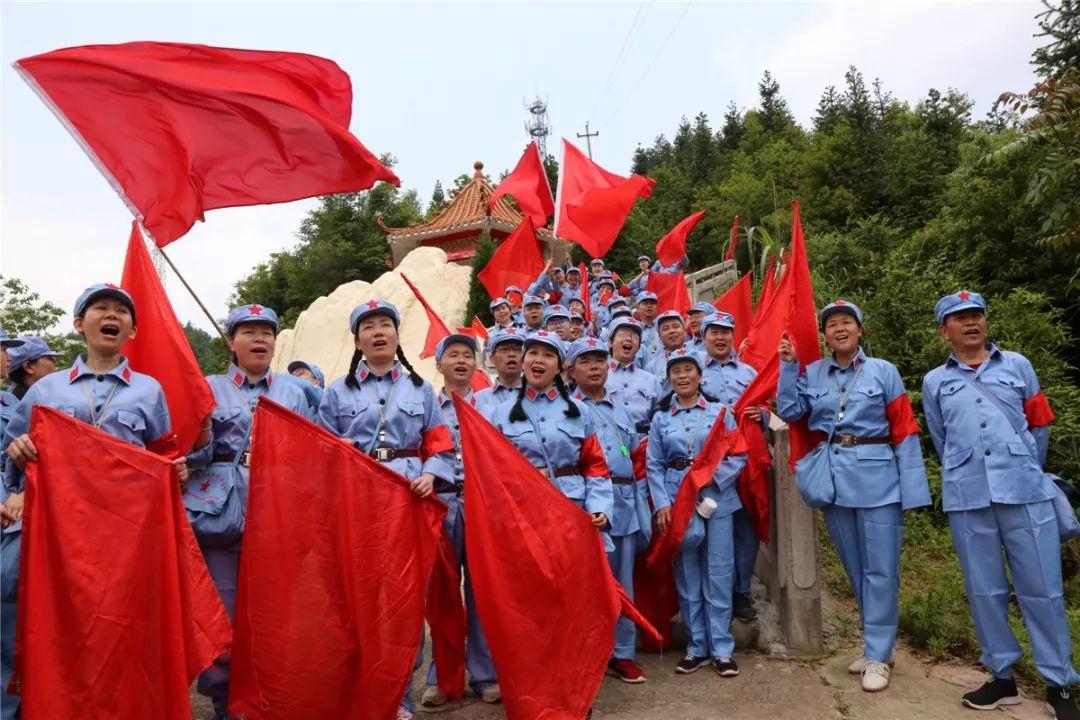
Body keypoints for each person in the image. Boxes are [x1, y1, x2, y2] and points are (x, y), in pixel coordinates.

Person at [2, 285, 190, 720]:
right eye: (101, 308)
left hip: (123, 537)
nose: (112, 315)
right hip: (54, 531)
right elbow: (9, 453)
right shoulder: (45, 391)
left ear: (132, 329)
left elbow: (160, 454)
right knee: (43, 623)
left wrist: (174, 469)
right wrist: (18, 452)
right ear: (78, 324)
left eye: (122, 311)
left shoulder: (149, 391)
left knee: (115, 627)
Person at [921, 291, 1079, 718]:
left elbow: (1039, 424)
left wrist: (1025, 467)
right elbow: (941, 437)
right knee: (984, 589)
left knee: (1043, 588)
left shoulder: (1018, 366)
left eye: (977, 315)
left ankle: (1058, 683)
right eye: (959, 318)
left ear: (985, 322)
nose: (971, 323)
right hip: (968, 496)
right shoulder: (935, 381)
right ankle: (1002, 677)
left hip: (1025, 492)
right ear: (944, 331)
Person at [777, 301, 931, 693]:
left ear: (860, 330)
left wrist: (913, 491)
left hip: (880, 479)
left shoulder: (884, 372)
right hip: (836, 481)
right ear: (825, 335)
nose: (839, 329)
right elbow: (792, 412)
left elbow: (905, 430)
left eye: (847, 322)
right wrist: (789, 366)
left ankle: (879, 655)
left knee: (881, 570)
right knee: (856, 567)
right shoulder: (814, 373)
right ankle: (875, 644)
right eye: (831, 324)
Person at [318, 299, 454, 720]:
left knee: (405, 597)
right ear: (357, 339)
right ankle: (360, 687)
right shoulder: (337, 391)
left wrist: (431, 474)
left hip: (408, 502)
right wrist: (338, 453)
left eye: (385, 325)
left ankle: (401, 693)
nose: (378, 332)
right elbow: (321, 449)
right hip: (357, 503)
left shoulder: (419, 388)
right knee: (357, 596)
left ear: (397, 335)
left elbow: (440, 443)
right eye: (369, 327)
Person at [183, 304, 311, 720]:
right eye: (249, 332)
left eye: (267, 333)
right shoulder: (209, 387)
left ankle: (272, 699)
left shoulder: (296, 391)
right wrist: (202, 427)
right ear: (231, 341)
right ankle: (226, 704)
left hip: (281, 515)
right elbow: (192, 455)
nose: (259, 340)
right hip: (221, 516)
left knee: (277, 617)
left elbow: (312, 452)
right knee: (223, 617)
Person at [646, 348, 747, 677]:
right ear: (669, 379)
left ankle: (721, 648)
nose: (683, 376)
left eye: (689, 370)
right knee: (687, 575)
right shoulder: (661, 419)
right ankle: (696, 647)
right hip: (678, 501)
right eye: (676, 372)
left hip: (718, 499)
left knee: (719, 573)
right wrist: (662, 502)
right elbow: (654, 465)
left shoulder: (720, 412)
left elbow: (738, 452)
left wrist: (712, 478)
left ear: (700, 376)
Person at [421, 334, 500, 710]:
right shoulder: (426, 406)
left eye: (467, 355)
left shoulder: (491, 406)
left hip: (482, 505)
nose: (461, 361)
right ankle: (442, 678)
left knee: (483, 592)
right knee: (443, 593)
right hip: (442, 503)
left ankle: (485, 674)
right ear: (439, 365)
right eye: (452, 355)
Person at [567, 337, 651, 684]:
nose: (596, 366)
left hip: (625, 500)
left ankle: (623, 654)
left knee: (623, 583)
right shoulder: (568, 409)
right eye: (586, 361)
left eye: (600, 360)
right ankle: (589, 652)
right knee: (586, 584)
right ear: (571, 370)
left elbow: (633, 453)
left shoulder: (620, 408)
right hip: (586, 503)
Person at [490, 331, 612, 538]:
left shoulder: (580, 410)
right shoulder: (501, 413)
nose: (539, 359)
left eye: (548, 355)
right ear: (523, 361)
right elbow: (494, 471)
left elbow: (595, 466)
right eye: (533, 353)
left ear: (559, 366)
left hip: (572, 508)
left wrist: (599, 506)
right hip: (523, 512)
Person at [698, 312, 769, 621]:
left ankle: (741, 591)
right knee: (707, 529)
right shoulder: (693, 371)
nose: (720, 337)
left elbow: (766, 408)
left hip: (745, 462)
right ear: (703, 338)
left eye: (726, 331)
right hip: (708, 465)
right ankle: (712, 594)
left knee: (745, 529)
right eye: (713, 332)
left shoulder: (749, 372)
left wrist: (762, 416)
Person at [0, 330, 28, 720]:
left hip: (13, 516)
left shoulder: (10, 401)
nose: (7, 356)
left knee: (8, 625)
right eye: (2, 349)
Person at [605, 318, 661, 436]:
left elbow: (660, 419)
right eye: (623, 334)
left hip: (643, 445)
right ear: (610, 341)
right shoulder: (599, 376)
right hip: (609, 443)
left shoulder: (651, 380)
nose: (629, 339)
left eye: (634, 336)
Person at [475, 328, 525, 416]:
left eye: (517, 349)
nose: (511, 354)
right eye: (504, 349)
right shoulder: (479, 399)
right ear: (492, 359)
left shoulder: (538, 395)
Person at [4, 337, 59, 401]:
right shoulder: (21, 406)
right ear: (28, 367)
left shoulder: (14, 400)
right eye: (50, 358)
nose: (55, 361)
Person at [646, 310, 690, 387]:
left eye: (675, 326)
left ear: (684, 331)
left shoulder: (700, 357)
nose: (672, 331)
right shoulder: (651, 367)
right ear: (659, 336)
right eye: (665, 328)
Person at [634, 292, 662, 366]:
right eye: (645, 303)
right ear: (637, 308)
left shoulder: (664, 327)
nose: (649, 306)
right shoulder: (633, 330)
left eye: (652, 303)